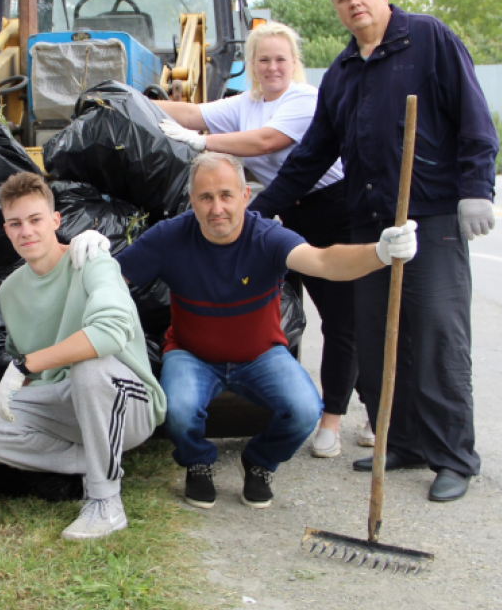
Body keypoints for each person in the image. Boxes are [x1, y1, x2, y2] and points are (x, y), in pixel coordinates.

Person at [250, 0, 499, 503]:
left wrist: (477, 187)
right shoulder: (341, 73)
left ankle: (453, 455)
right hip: (367, 227)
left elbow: (474, 117)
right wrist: (263, 209)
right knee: (380, 337)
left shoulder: (429, 39)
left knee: (436, 337)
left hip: (429, 216)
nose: (354, 3)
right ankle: (403, 439)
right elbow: (311, 154)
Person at [99, 153, 416, 509]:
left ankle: (260, 462)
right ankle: (198, 461)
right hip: (191, 354)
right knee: (178, 410)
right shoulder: (169, 237)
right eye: (205, 197)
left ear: (245, 196)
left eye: (226, 195)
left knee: (305, 410)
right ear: (192, 201)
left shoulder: (267, 237)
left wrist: (380, 252)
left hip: (261, 355)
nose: (216, 207)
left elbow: (324, 262)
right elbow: (112, 278)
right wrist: (85, 254)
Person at [156, 21, 365, 459]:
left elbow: (266, 141)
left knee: (342, 319)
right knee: (292, 307)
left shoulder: (305, 98)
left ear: (294, 63)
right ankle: (360, 406)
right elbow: (192, 113)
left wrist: (198, 142)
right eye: (263, 60)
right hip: (287, 210)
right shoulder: (247, 102)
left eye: (280, 59)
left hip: (333, 211)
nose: (272, 67)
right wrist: (133, 101)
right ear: (251, 65)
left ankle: (334, 418)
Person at [0, 172, 166, 541]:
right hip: (66, 403)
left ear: (55, 221)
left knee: (89, 367)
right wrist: (16, 382)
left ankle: (105, 501)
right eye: (15, 223)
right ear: (6, 230)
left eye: (36, 219)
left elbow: (111, 330)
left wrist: (28, 364)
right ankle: (99, 461)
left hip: (126, 402)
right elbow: (20, 358)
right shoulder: (9, 291)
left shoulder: (91, 261)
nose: (26, 231)